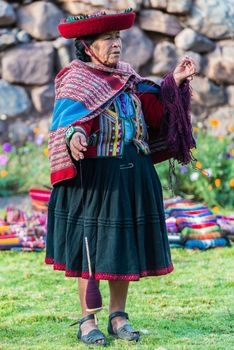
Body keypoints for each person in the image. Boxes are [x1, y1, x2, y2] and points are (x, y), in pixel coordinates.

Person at [45, 9, 197, 347]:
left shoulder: (126, 77)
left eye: (118, 38)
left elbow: (153, 111)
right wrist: (74, 138)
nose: (116, 45)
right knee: (91, 250)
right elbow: (67, 122)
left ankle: (118, 316)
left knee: (121, 246)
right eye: (108, 40)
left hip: (133, 175)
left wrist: (174, 83)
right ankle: (88, 320)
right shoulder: (77, 80)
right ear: (87, 46)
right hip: (95, 178)